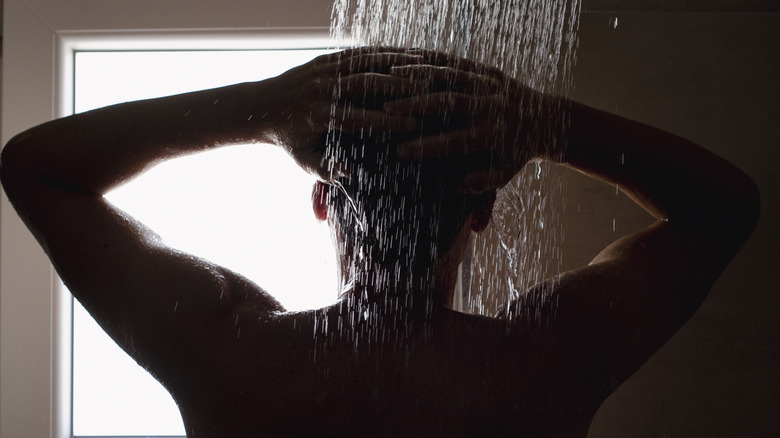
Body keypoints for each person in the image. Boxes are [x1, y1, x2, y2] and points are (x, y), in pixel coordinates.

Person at [0, 47, 759, 437]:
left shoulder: (227, 351)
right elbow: (723, 207)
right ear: (484, 209)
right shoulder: (548, 362)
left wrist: (262, 106)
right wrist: (540, 120)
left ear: (324, 204)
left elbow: (36, 167)